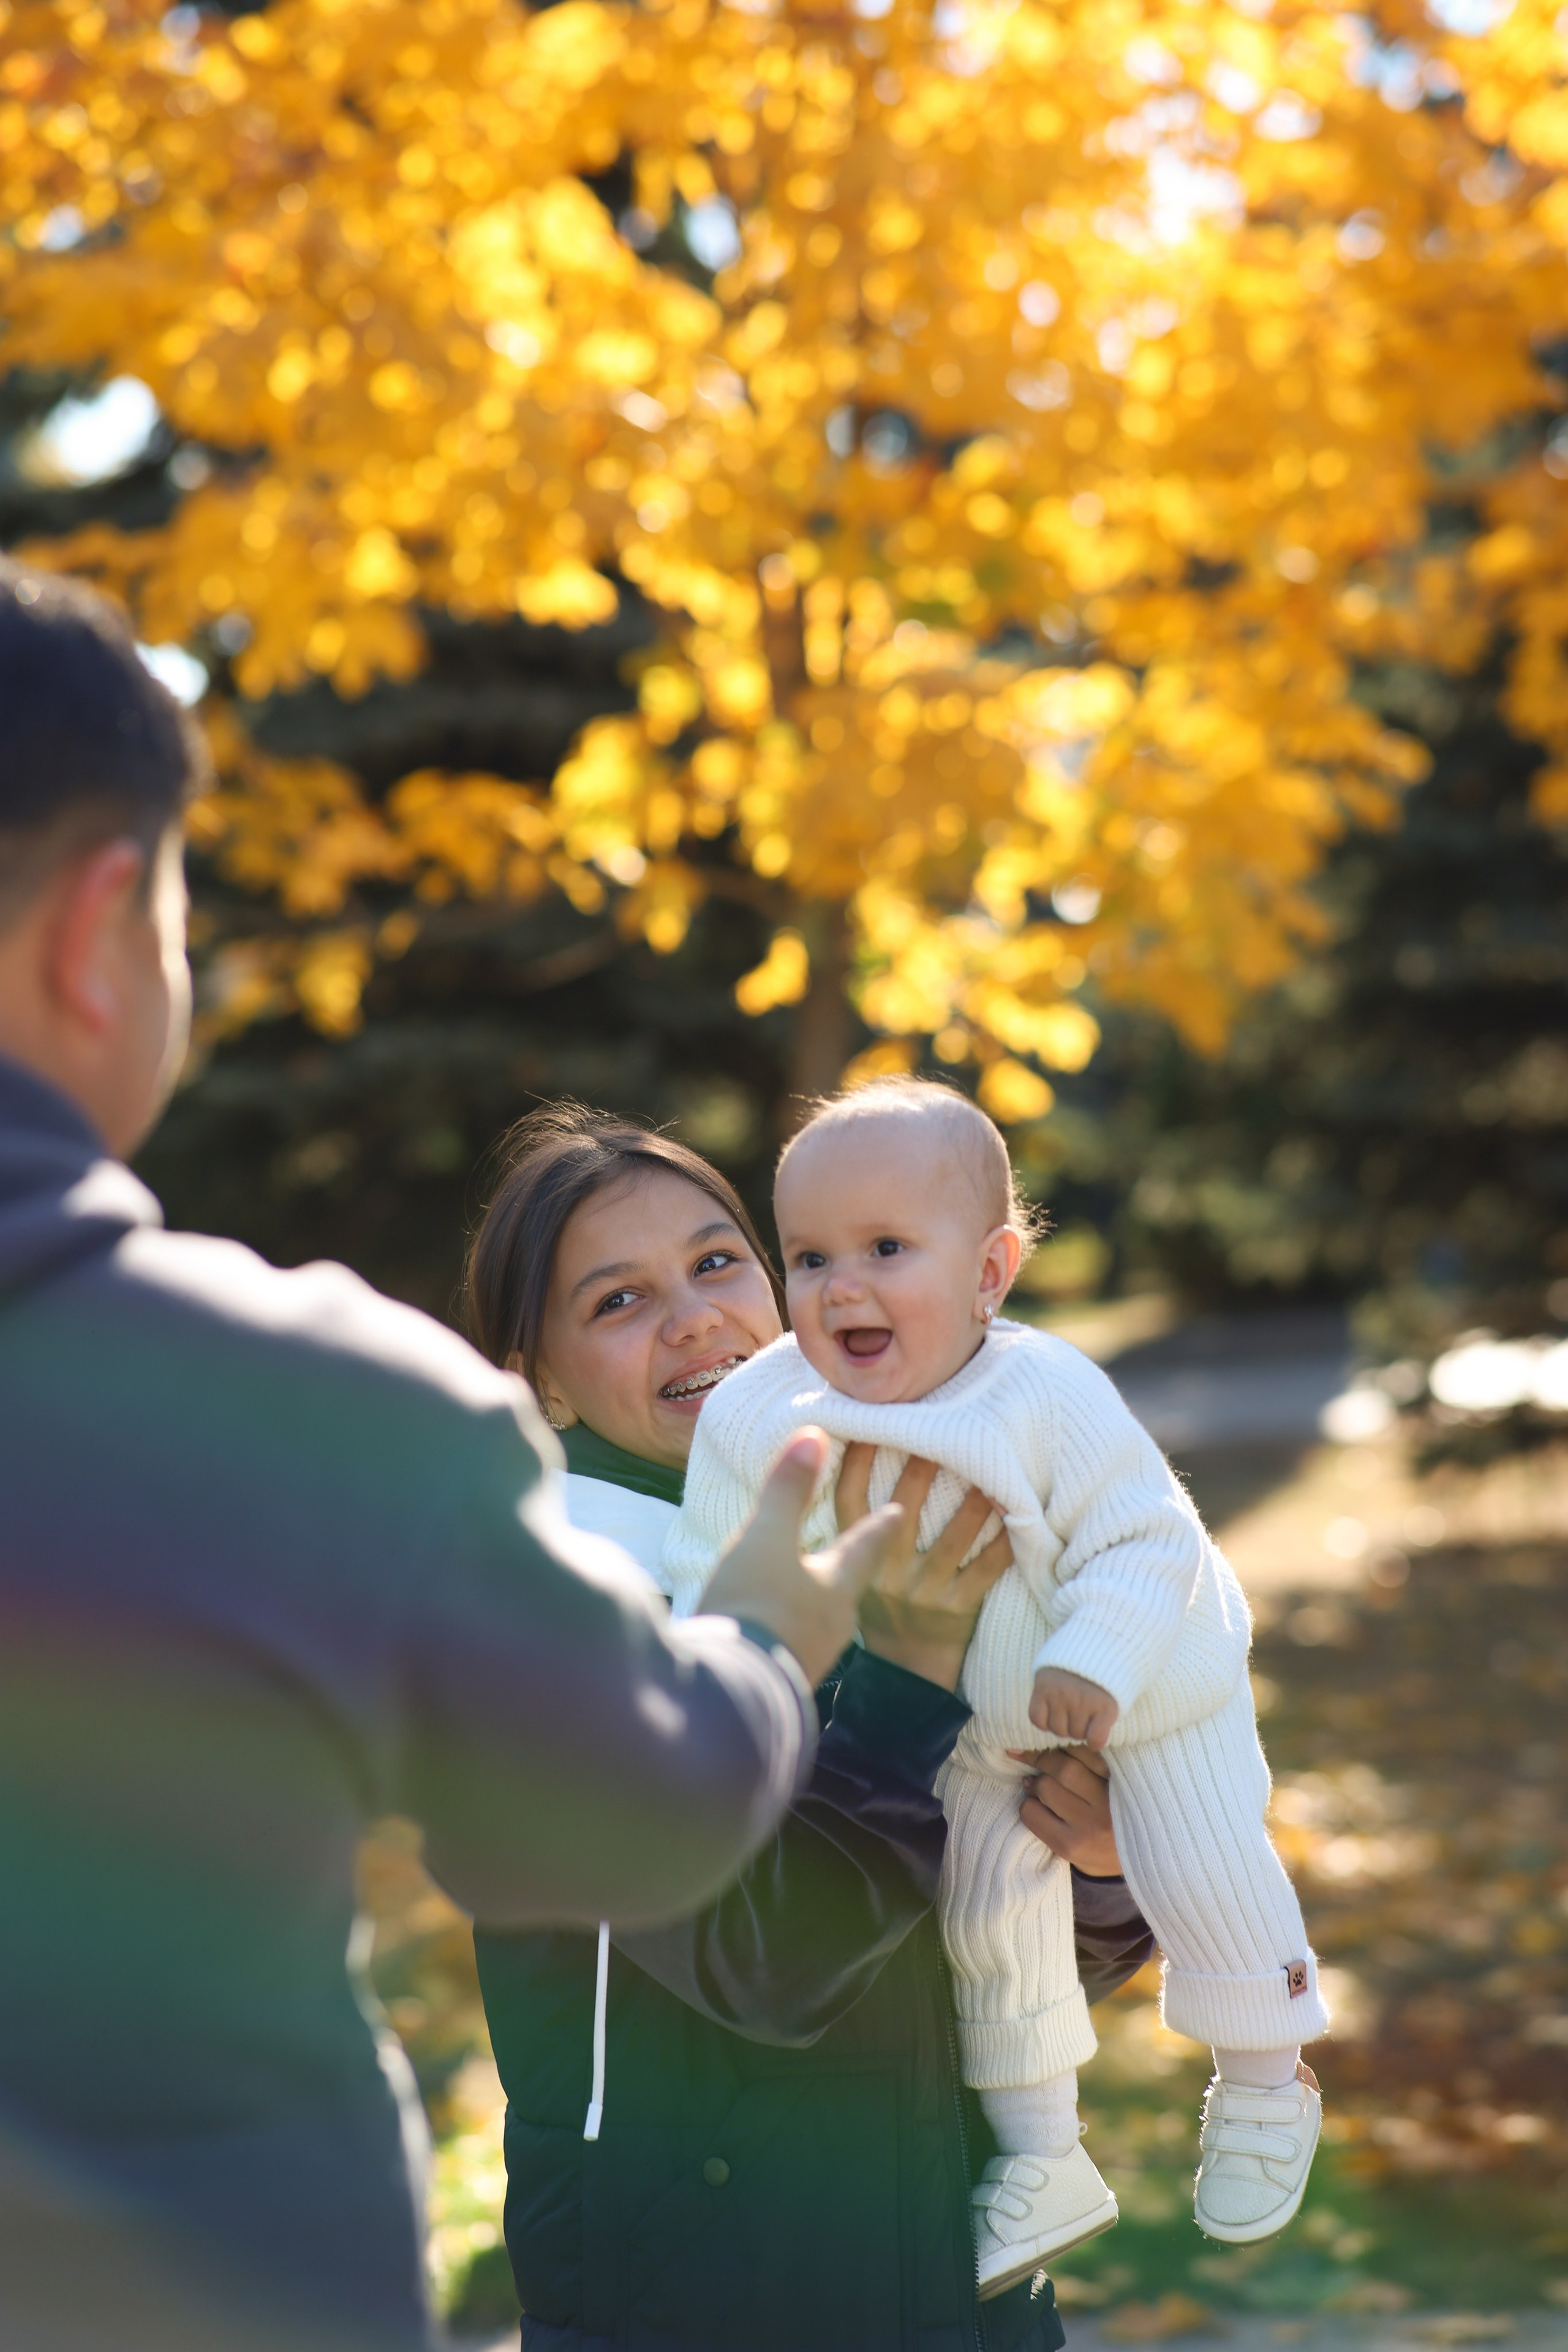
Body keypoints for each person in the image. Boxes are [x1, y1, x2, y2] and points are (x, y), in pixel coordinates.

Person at [0, 560, 900, 2352]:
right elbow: (624, 1823)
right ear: (98, 930)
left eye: (720, 1263)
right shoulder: (299, 1408)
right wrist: (767, 1637)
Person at [464, 1104, 1156, 2352]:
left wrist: (1101, 1864)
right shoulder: (545, 1629)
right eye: (618, 1301)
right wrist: (904, 1673)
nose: (695, 1318)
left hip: (956, 2286)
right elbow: (770, 1970)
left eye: (717, 1263)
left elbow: (985, 1954)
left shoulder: (891, 1517)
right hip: (695, 2309)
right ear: (541, 1381)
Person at [666, 1076, 1328, 2298]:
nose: (840, 1288)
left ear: (989, 1273)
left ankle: (1262, 2075)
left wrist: (1097, 1659)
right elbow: (719, 1559)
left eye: (884, 1249)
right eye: (808, 1258)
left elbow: (1145, 1538)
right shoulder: (764, 1408)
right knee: (984, 1930)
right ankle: (1041, 2155)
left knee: (1202, 1863)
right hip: (965, 1729)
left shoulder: (1041, 1392)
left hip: (1144, 1685)